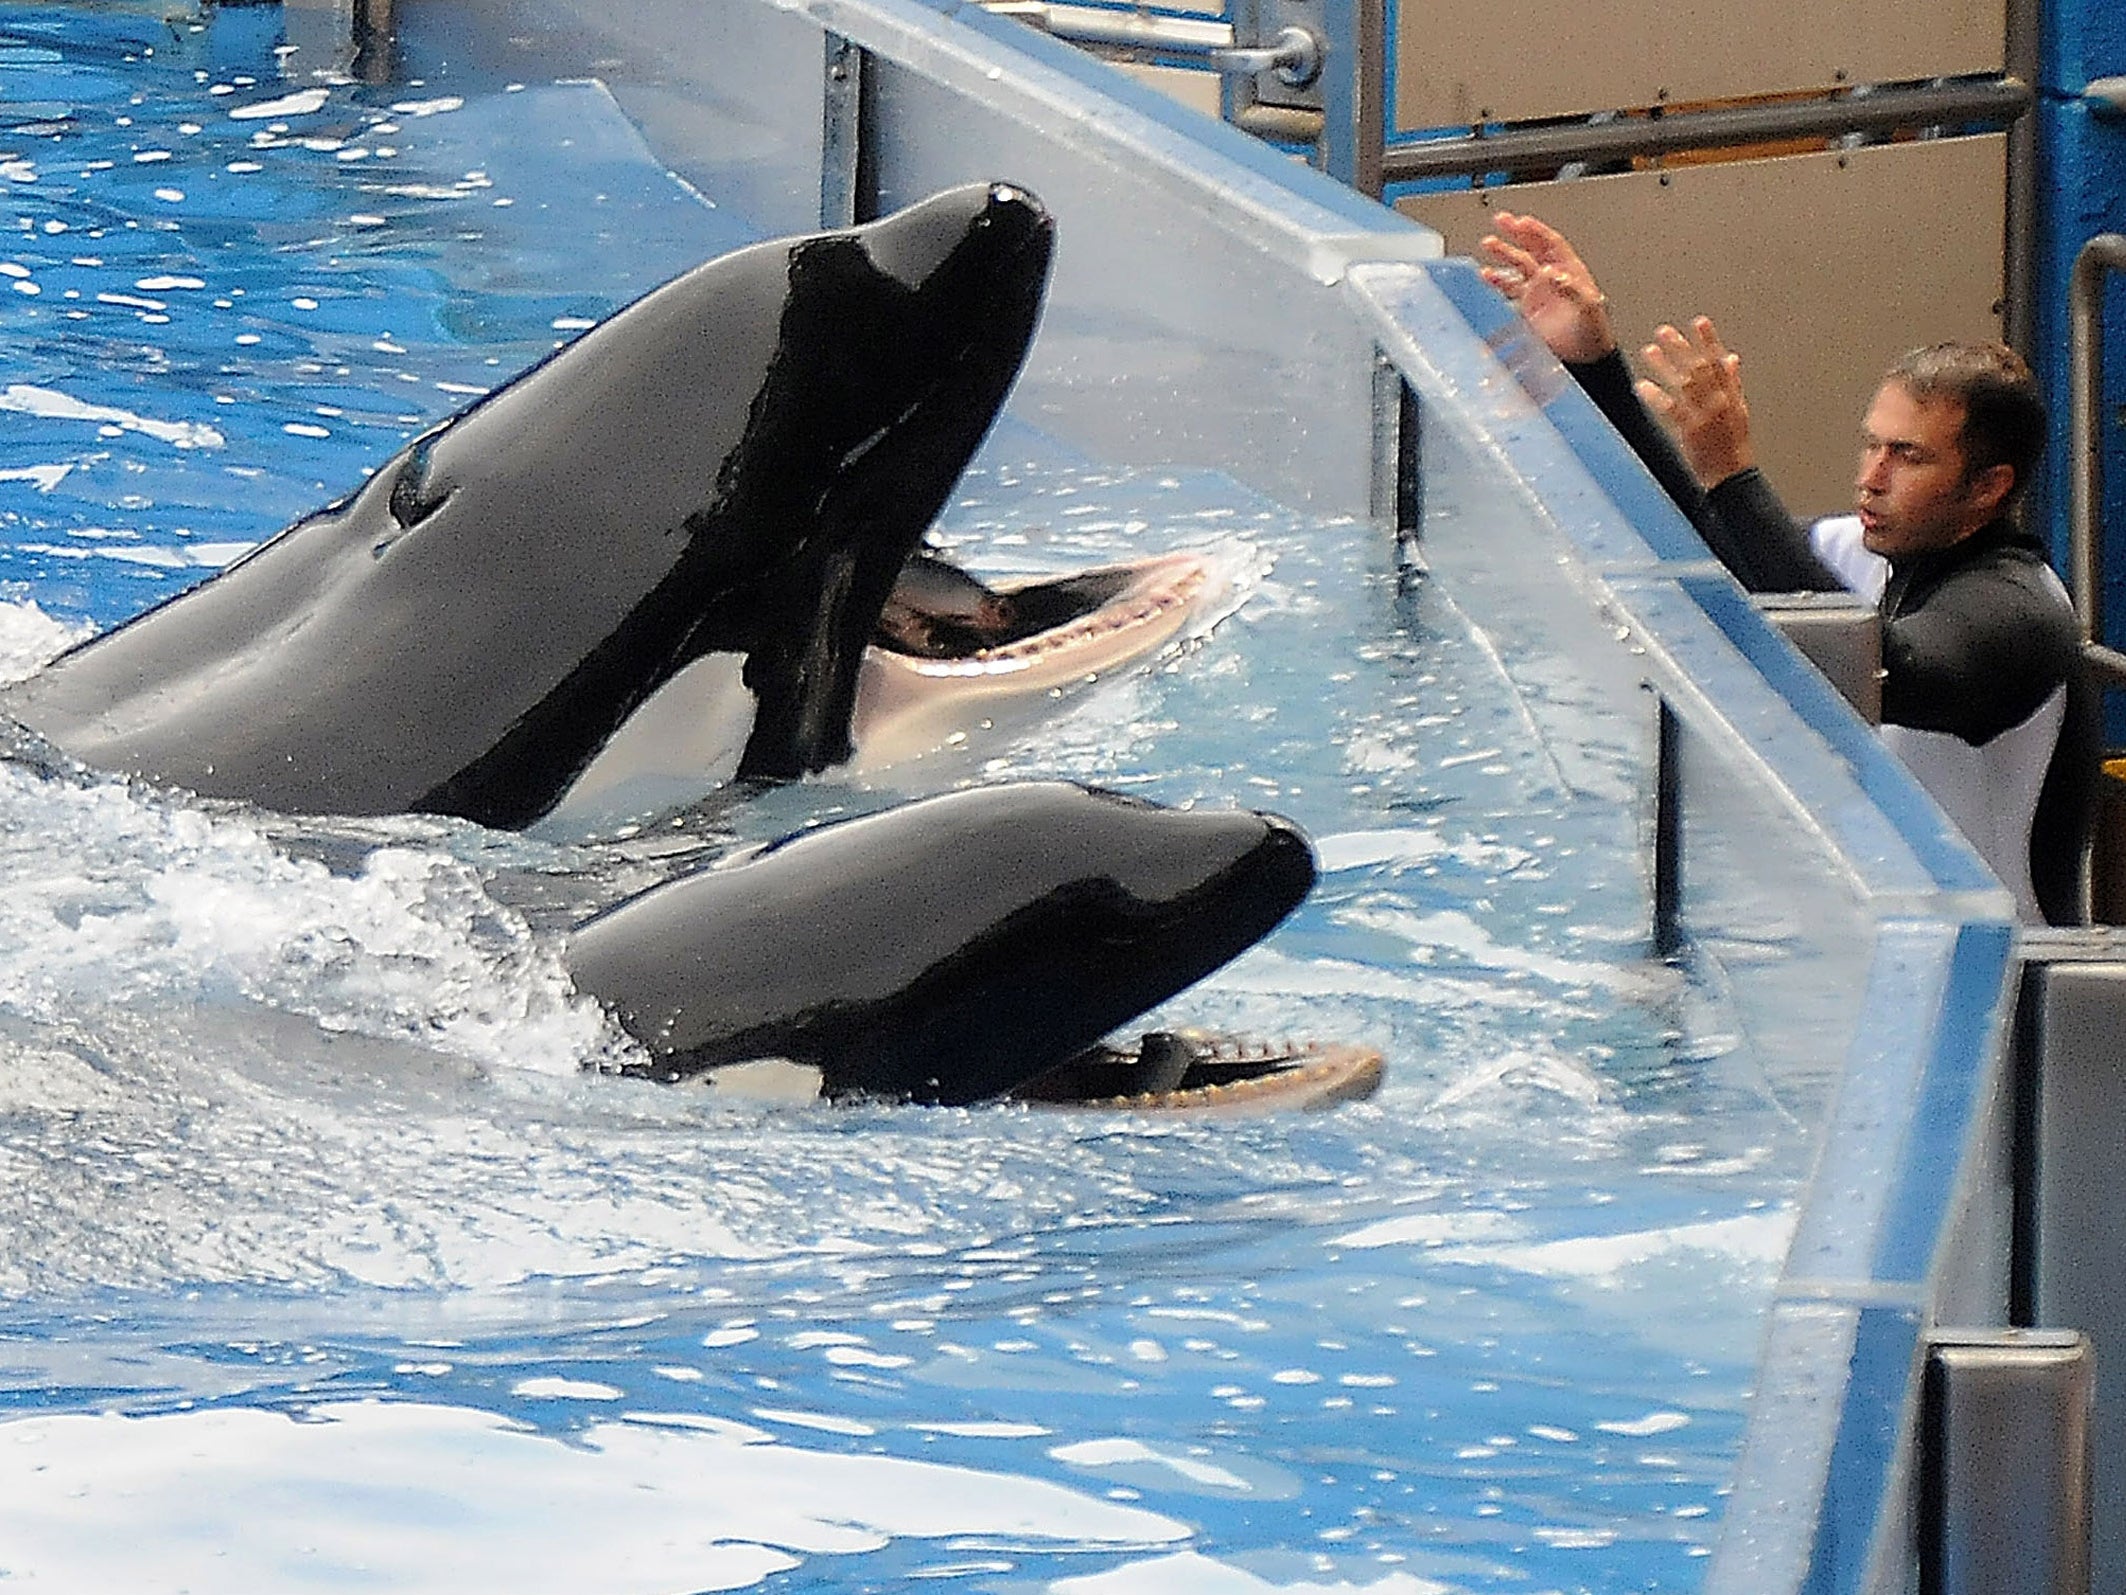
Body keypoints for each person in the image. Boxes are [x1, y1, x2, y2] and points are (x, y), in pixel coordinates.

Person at [1477, 212, 2096, 926]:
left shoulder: (2020, 613)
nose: (1872, 476)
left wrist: (1733, 473)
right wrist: (1594, 370)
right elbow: (1705, 547)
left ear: (1989, 487)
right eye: (1872, 445)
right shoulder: (1862, 557)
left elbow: (1872, 668)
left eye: (1909, 456)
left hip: (2003, 998)